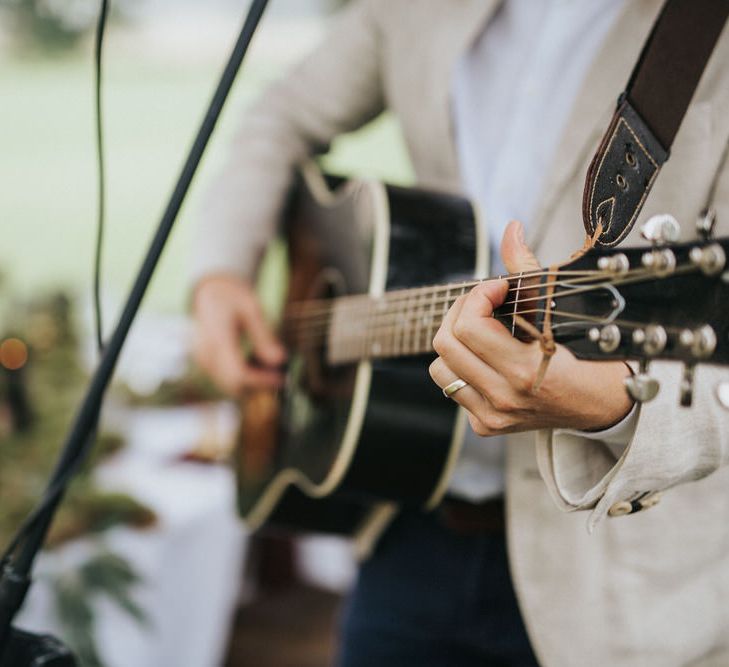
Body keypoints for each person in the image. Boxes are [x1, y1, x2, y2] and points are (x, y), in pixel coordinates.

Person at [191, 1, 729, 665]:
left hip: (625, 586)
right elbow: (281, 115)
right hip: (409, 520)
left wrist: (613, 405)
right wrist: (220, 272)